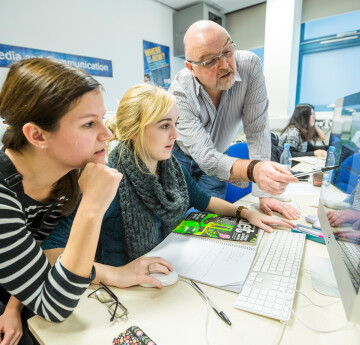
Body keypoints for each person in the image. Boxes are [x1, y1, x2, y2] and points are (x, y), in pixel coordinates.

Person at [42, 84, 295, 291]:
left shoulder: (171, 168)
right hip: (128, 292)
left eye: (175, 123)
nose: (176, 134)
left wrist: (246, 214)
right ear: (134, 131)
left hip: (167, 276)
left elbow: (204, 200)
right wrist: (116, 274)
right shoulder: (108, 182)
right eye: (165, 126)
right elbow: (53, 253)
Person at [0, 58, 122, 345]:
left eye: (102, 119)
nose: (108, 134)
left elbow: (35, 254)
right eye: (89, 123)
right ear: (37, 135)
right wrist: (92, 207)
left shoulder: (65, 178)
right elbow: (54, 307)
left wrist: (14, 305)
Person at [168, 20, 299, 220]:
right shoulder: (179, 93)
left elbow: (257, 131)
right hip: (182, 156)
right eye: (210, 61)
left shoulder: (249, 65)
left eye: (227, 51)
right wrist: (255, 171)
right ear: (191, 68)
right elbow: (205, 157)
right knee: (177, 220)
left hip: (220, 154)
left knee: (210, 221)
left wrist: (263, 193)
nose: (224, 65)